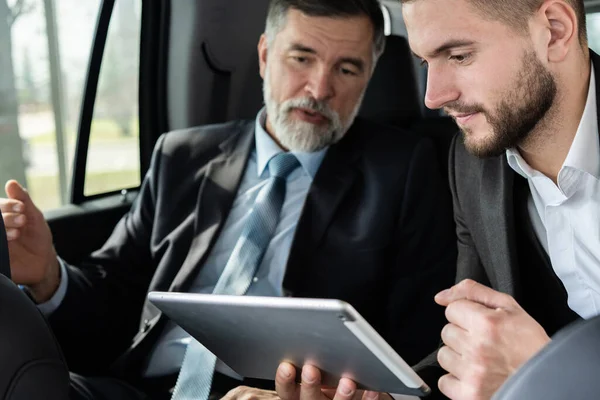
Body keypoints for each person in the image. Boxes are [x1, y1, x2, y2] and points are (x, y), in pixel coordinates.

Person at [0, 0, 457, 399]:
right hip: (137, 387)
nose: (319, 89)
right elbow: (116, 292)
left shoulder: (402, 171)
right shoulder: (182, 156)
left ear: (368, 77)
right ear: (264, 56)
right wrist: (48, 276)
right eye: (301, 58)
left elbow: (414, 341)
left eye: (346, 68)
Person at [273, 0, 600, 399]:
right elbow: (469, 354)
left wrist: (551, 381)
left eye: (459, 56)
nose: (433, 96)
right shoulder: (471, 163)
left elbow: (519, 374)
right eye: (426, 63)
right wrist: (389, 397)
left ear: (554, 30)